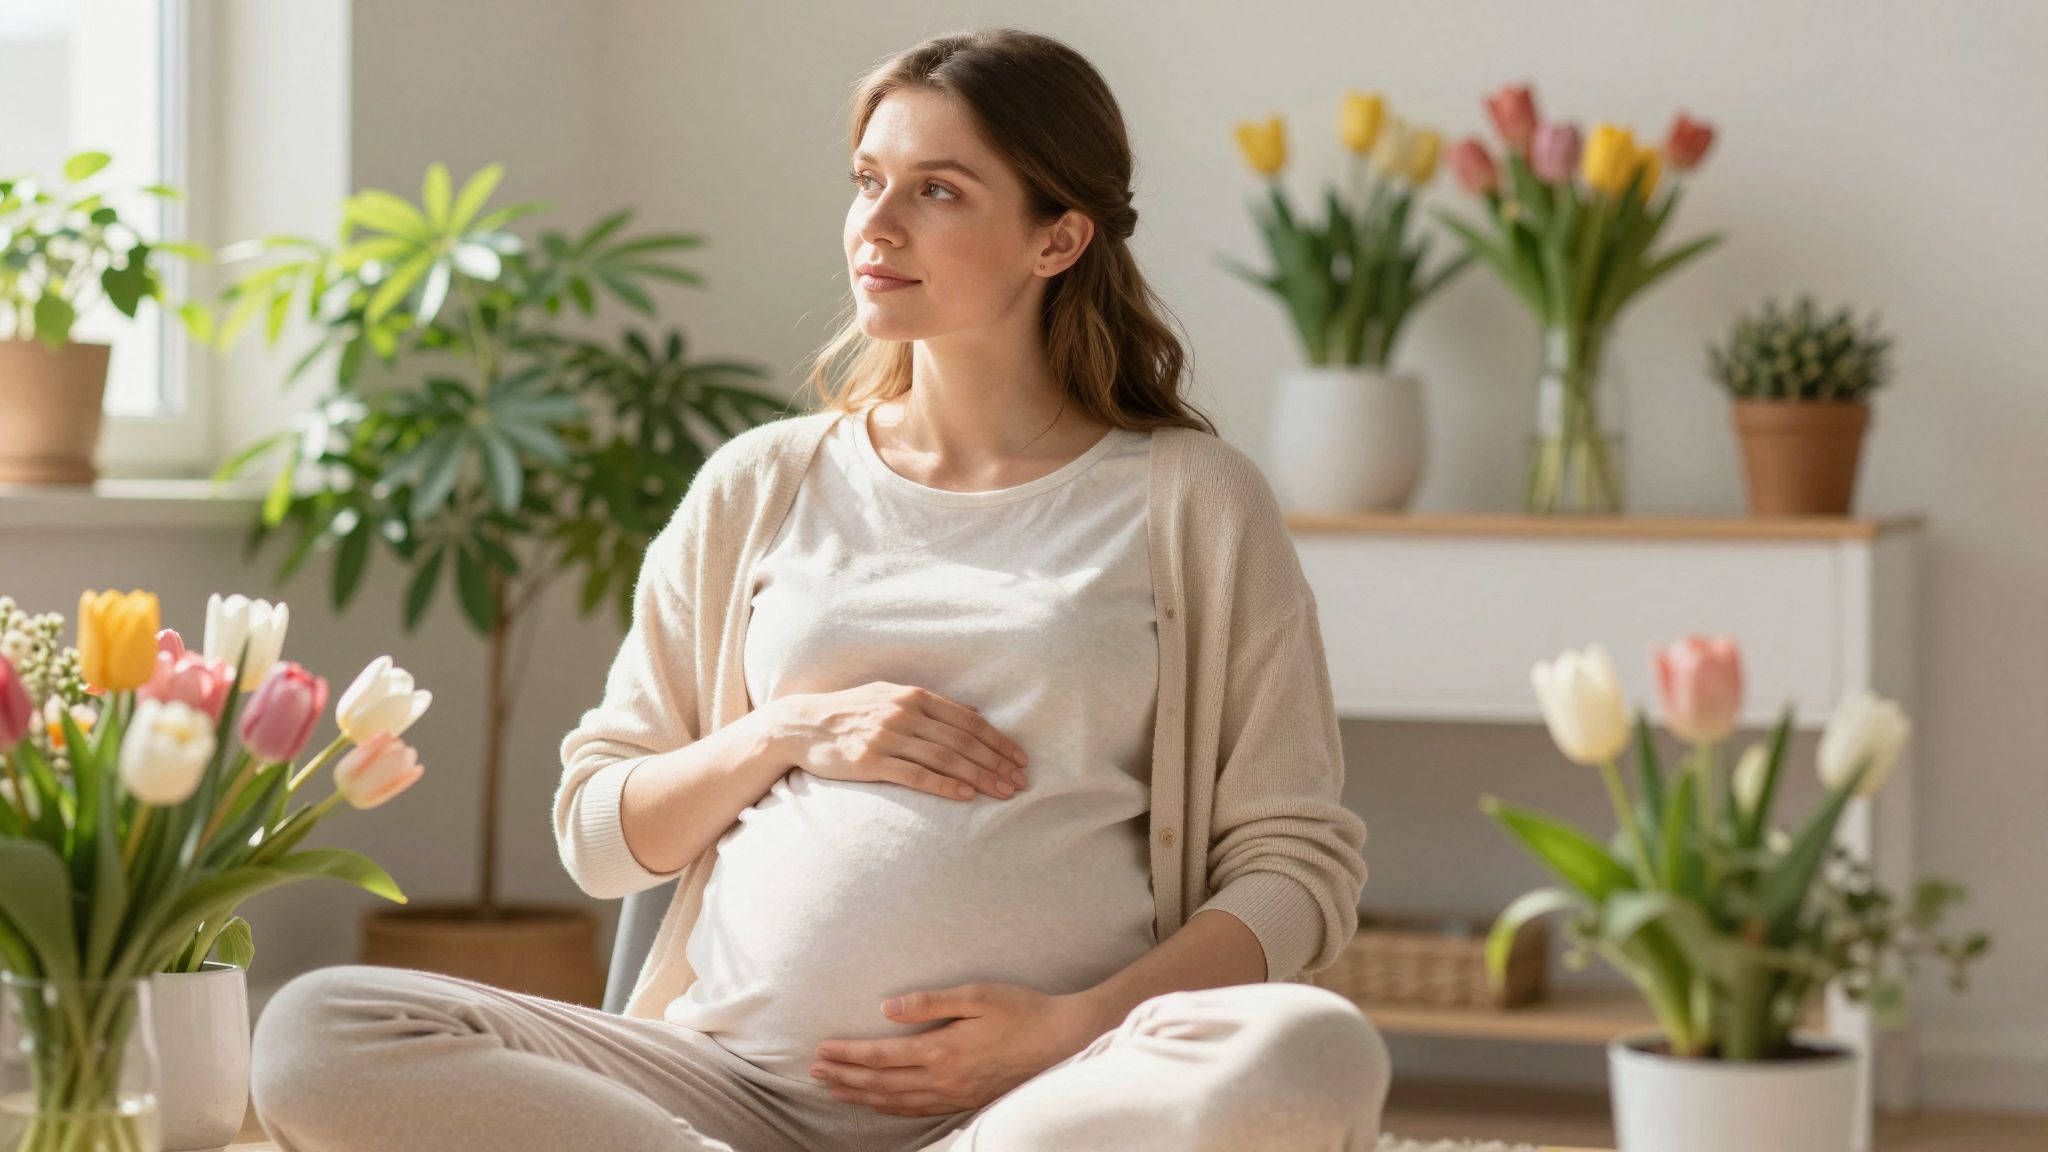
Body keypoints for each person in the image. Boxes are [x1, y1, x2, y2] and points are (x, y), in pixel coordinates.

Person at [250, 26, 1388, 1152]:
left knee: (1307, 1055)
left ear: (1058, 238)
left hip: (1045, 1097)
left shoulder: (1192, 499)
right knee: (319, 1030)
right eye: (866, 180)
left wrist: (1073, 1028)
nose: (875, 226)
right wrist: (788, 731)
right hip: (720, 1090)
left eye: (936, 190)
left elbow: (1294, 866)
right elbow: (597, 836)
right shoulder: (761, 482)